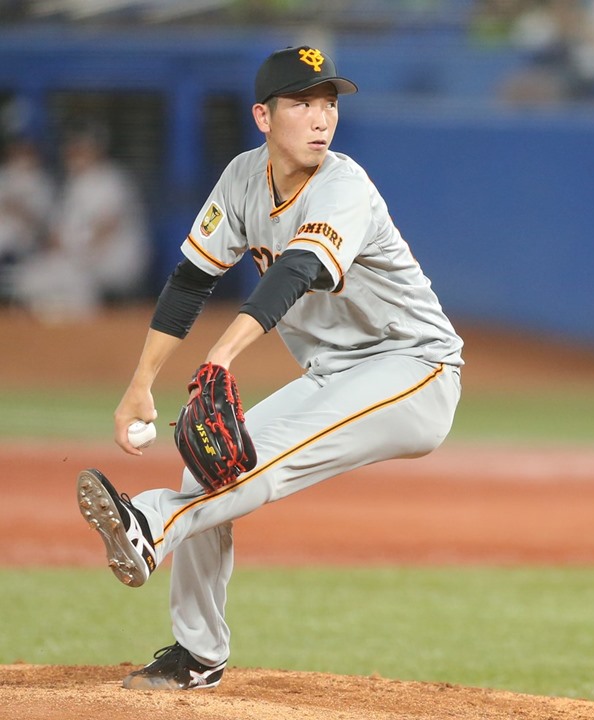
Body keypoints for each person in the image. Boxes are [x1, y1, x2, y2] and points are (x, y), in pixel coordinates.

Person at [76, 45, 464, 691]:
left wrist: (222, 354)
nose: (321, 117)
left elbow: (297, 271)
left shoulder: (343, 186)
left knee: (263, 463)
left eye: (329, 103)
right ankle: (198, 655)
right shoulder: (241, 179)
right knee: (207, 466)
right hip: (333, 374)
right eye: (302, 103)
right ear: (263, 116)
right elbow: (190, 281)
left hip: (414, 368)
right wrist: (140, 384)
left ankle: (149, 522)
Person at [14, 123, 149, 322]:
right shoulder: (74, 183)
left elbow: (107, 228)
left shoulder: (111, 180)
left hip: (111, 257)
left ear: (96, 150)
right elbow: (56, 234)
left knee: (76, 283)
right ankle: (56, 320)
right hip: (76, 257)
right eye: (72, 149)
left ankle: (83, 326)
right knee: (29, 279)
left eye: (81, 149)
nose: (74, 155)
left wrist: (74, 251)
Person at [0, 134, 54, 303]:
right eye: (18, 152)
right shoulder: (4, 175)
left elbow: (40, 221)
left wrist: (16, 208)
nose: (22, 158)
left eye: (27, 153)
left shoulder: (42, 183)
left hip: (27, 240)